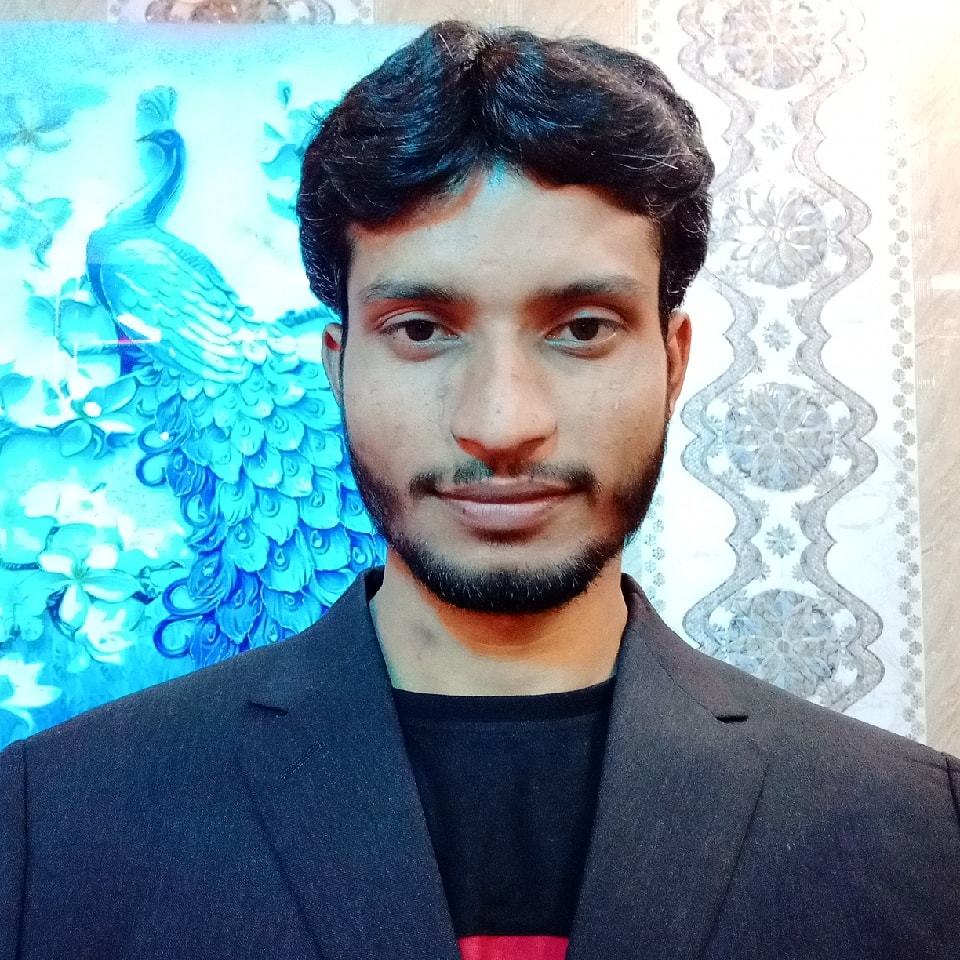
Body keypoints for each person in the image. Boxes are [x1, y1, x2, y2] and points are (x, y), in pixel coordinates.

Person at [2, 19, 958, 960]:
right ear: (338, 366)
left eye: (583, 328)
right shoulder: (53, 825)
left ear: (673, 363)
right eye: (421, 330)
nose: (501, 424)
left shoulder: (920, 836)